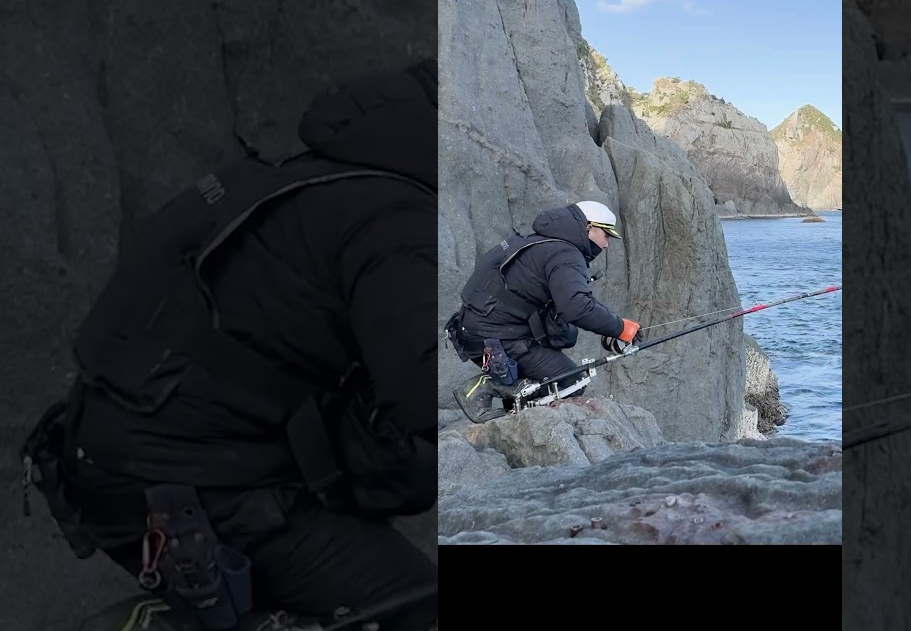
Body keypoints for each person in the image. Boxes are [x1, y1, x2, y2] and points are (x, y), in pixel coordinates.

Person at [19, 61, 439, 631]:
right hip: (182, 491)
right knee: (416, 607)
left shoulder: (310, 179)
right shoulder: (393, 219)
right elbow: (426, 393)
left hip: (103, 453)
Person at [446, 201, 642, 419]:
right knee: (572, 381)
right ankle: (486, 387)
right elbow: (577, 307)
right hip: (495, 339)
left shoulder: (541, 242)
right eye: (606, 235)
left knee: (553, 370)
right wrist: (620, 327)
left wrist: (609, 327)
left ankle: (513, 414)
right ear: (589, 228)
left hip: (475, 331)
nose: (606, 245)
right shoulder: (565, 255)